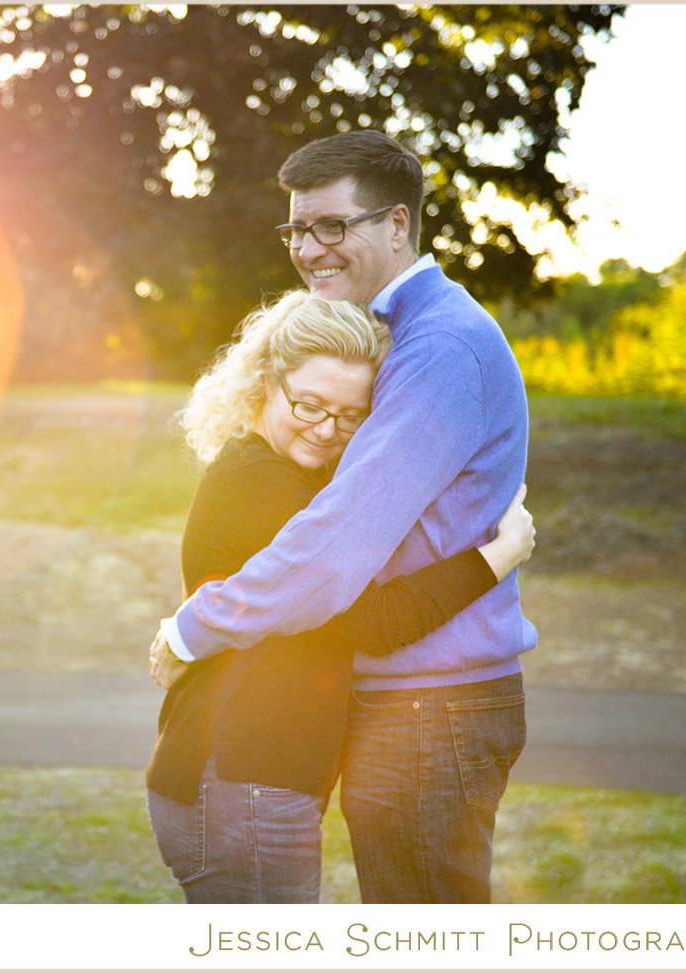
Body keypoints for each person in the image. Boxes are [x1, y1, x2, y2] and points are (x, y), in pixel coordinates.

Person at [148, 130, 534, 904]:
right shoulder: (394, 344)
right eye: (297, 229)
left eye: (332, 225)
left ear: (397, 224)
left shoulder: (436, 345)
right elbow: (341, 561)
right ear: (269, 384)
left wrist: (191, 628)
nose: (308, 248)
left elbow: (332, 560)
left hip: (432, 700)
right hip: (388, 707)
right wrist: (494, 557)